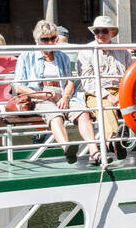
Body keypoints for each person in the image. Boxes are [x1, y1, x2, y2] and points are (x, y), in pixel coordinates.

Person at [13, 20, 95, 164]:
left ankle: (94, 151)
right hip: (40, 95)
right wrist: (37, 95)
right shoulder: (26, 56)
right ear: (38, 40)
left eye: (53, 38)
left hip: (62, 93)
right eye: (45, 39)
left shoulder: (61, 56)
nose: (50, 43)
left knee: (83, 113)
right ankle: (67, 149)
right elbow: (18, 86)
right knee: (56, 116)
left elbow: (69, 81)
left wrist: (66, 96)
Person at [76, 15, 132, 161]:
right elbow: (87, 82)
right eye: (97, 31)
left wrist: (123, 94)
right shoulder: (86, 51)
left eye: (104, 31)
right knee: (105, 106)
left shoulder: (123, 51)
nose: (100, 34)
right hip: (97, 93)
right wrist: (108, 95)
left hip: (122, 90)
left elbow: (130, 76)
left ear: (112, 32)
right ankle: (115, 143)